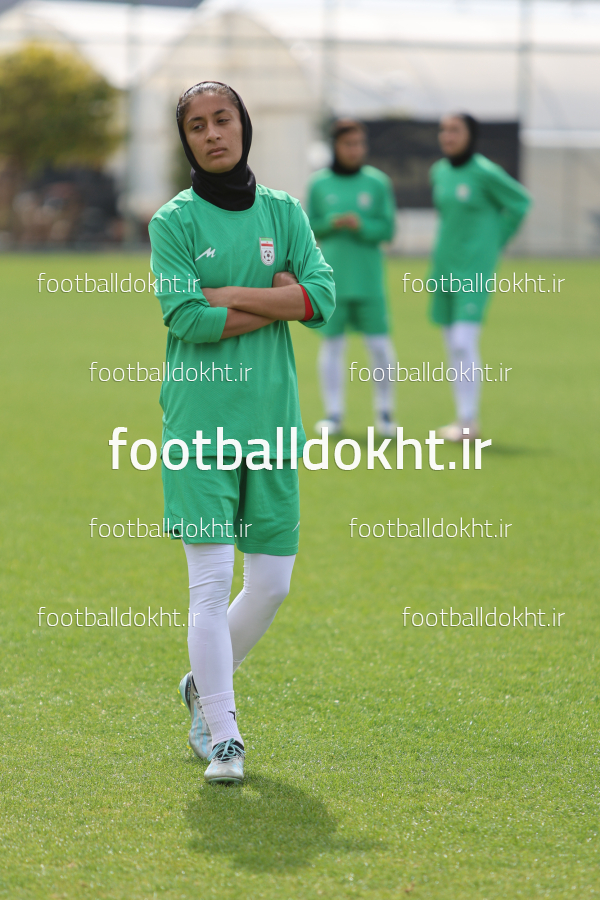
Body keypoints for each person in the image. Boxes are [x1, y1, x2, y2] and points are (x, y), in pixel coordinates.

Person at [148, 82, 335, 785]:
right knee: (209, 583)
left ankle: (201, 682)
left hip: (272, 424)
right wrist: (281, 298)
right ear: (187, 140)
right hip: (198, 426)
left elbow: (322, 298)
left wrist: (231, 295)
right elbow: (187, 319)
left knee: (273, 584)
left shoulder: (284, 212)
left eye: (222, 119)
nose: (212, 134)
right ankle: (223, 735)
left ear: (243, 125)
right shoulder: (173, 222)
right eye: (196, 126)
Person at [429, 113, 532, 441]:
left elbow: (520, 202)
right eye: (444, 130)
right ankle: (462, 419)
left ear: (470, 135)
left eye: (455, 130)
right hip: (444, 268)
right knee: (451, 344)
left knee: (463, 342)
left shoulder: (485, 172)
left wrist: (495, 241)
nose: (448, 136)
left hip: (474, 270)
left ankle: (469, 421)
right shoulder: (439, 172)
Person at [307, 119, 397, 437]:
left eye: (359, 143)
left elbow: (388, 229)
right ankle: (333, 414)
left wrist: (362, 225)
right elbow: (309, 227)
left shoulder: (377, 183)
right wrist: (332, 222)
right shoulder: (319, 184)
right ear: (336, 146)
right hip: (332, 282)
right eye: (348, 144)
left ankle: (385, 414)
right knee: (332, 347)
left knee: (380, 347)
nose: (354, 149)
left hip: (369, 281)